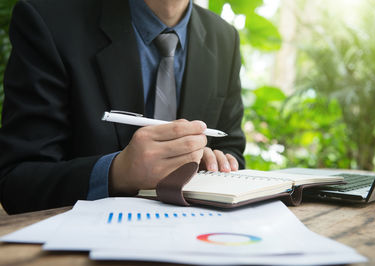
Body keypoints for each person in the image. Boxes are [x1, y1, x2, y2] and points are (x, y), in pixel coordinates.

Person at [0, 0, 246, 214]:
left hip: (194, 234)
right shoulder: (50, 22)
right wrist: (117, 173)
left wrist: (216, 163)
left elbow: (231, 148)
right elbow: (18, 181)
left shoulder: (225, 38)